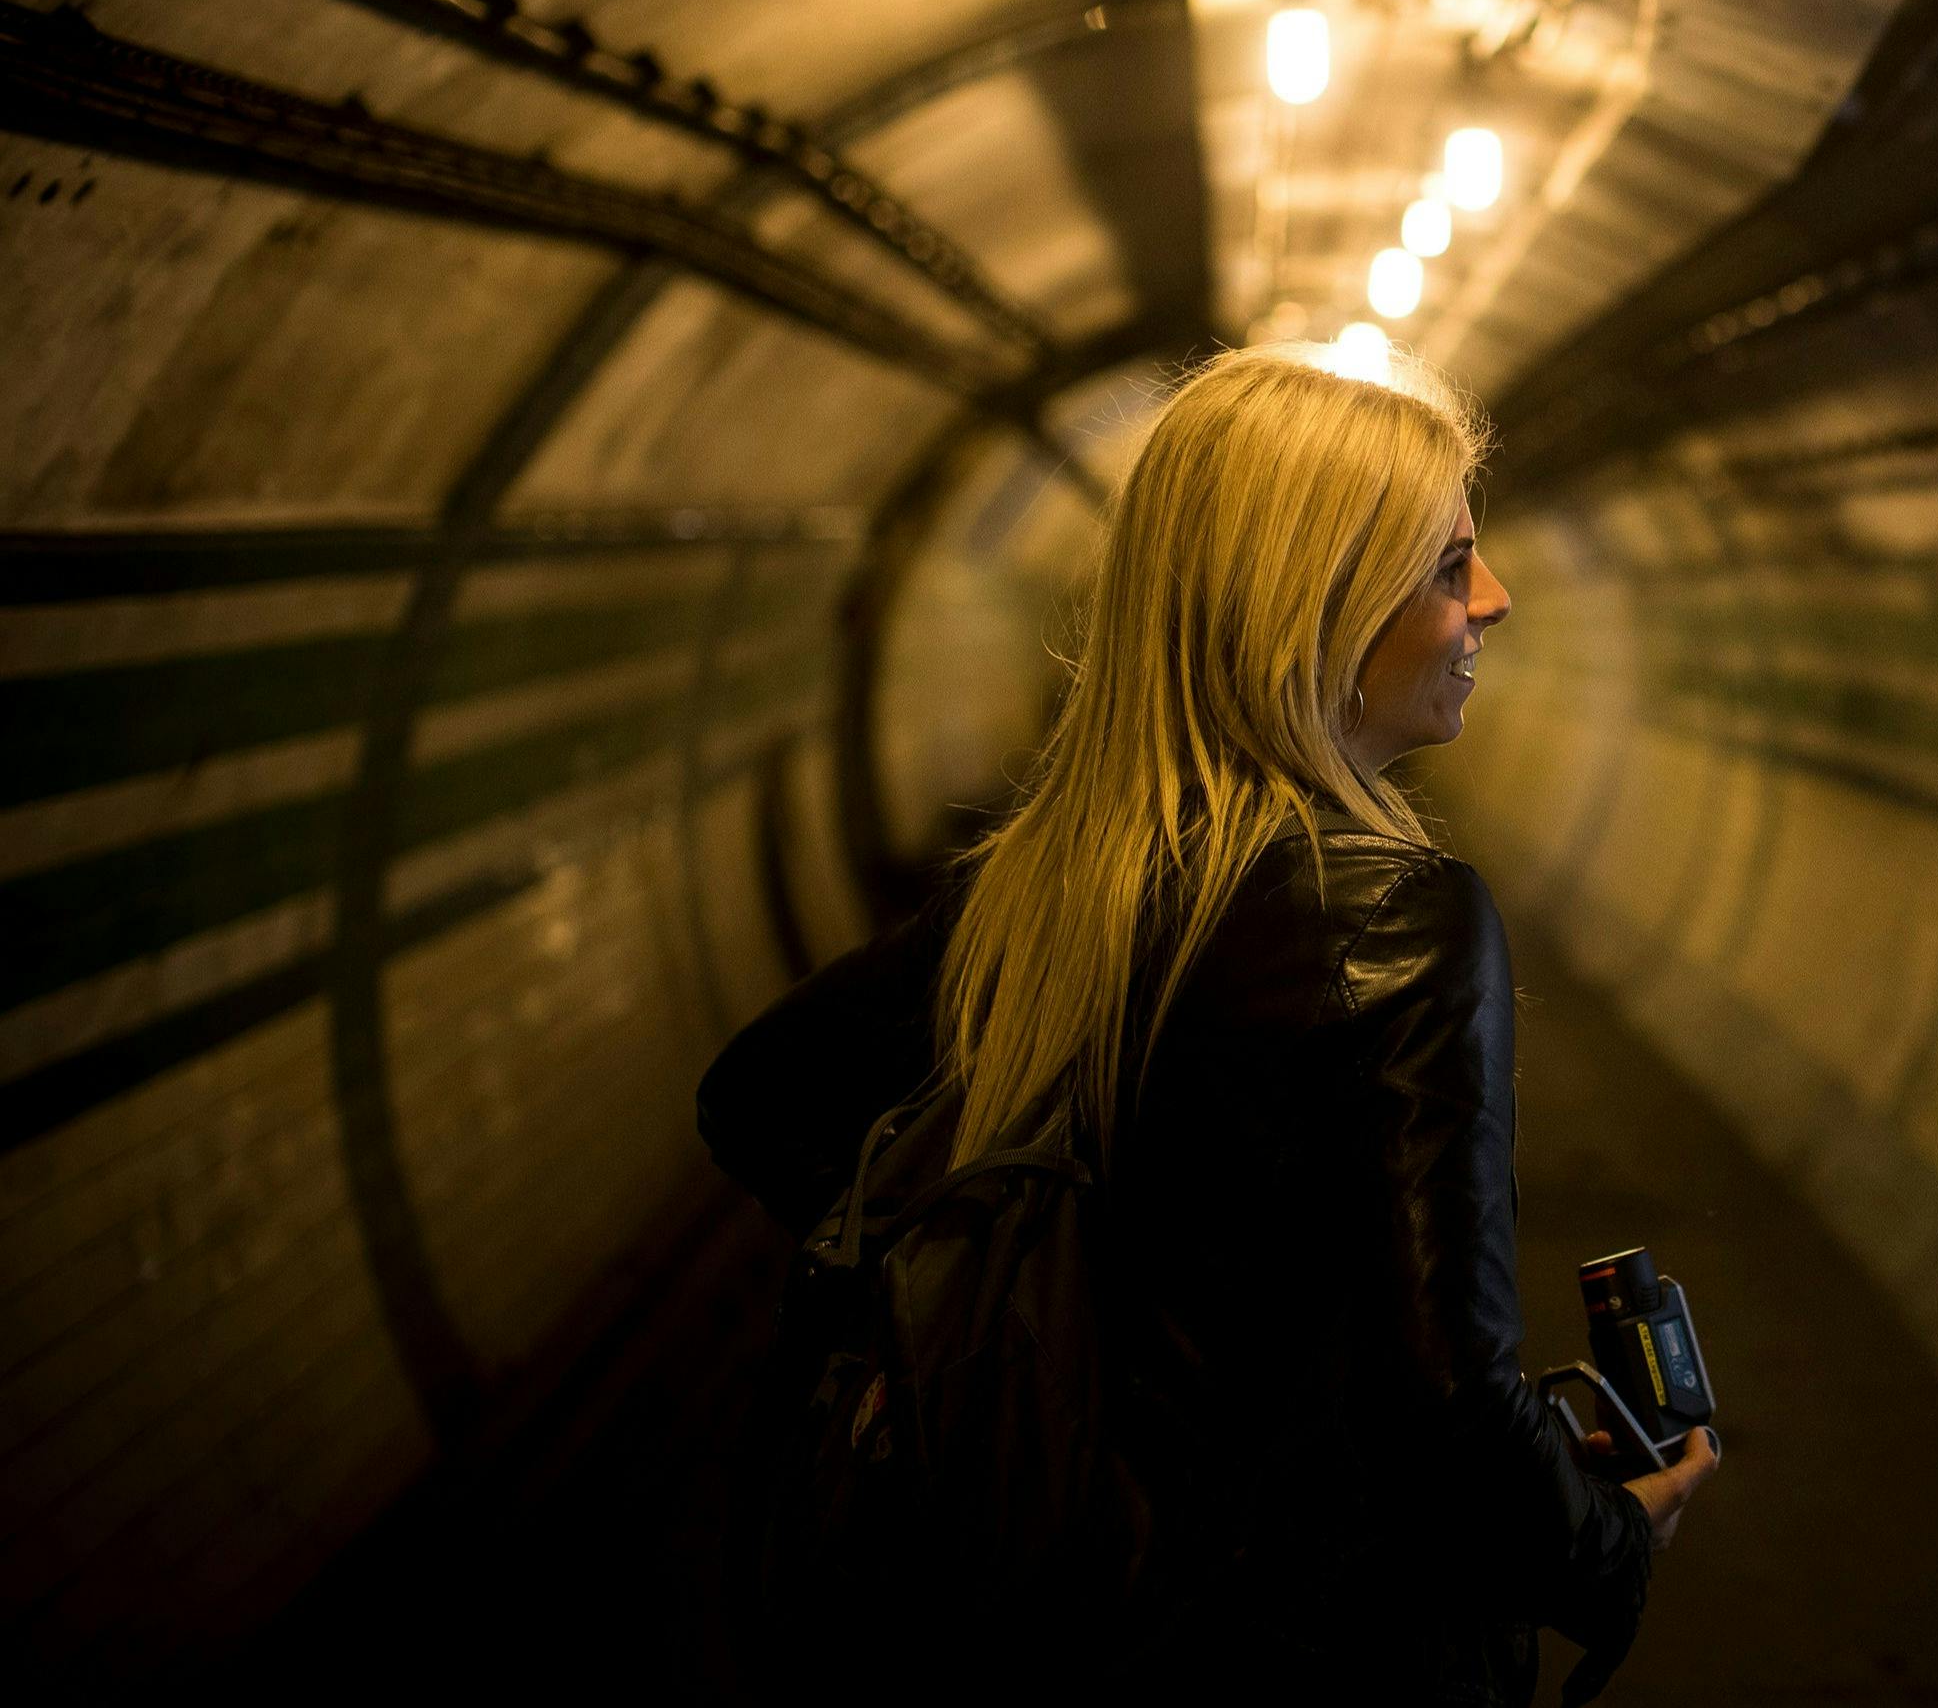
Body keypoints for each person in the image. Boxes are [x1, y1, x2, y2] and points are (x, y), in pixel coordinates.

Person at [699, 339, 1716, 1702]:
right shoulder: (1404, 923)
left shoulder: (1046, 891)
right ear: (1318, 604)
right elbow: (1446, 1409)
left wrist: (1005, 1322)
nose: (1495, 597)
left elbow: (762, 1098)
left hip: (1045, 1630)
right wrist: (1614, 1538)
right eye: (1443, 562)